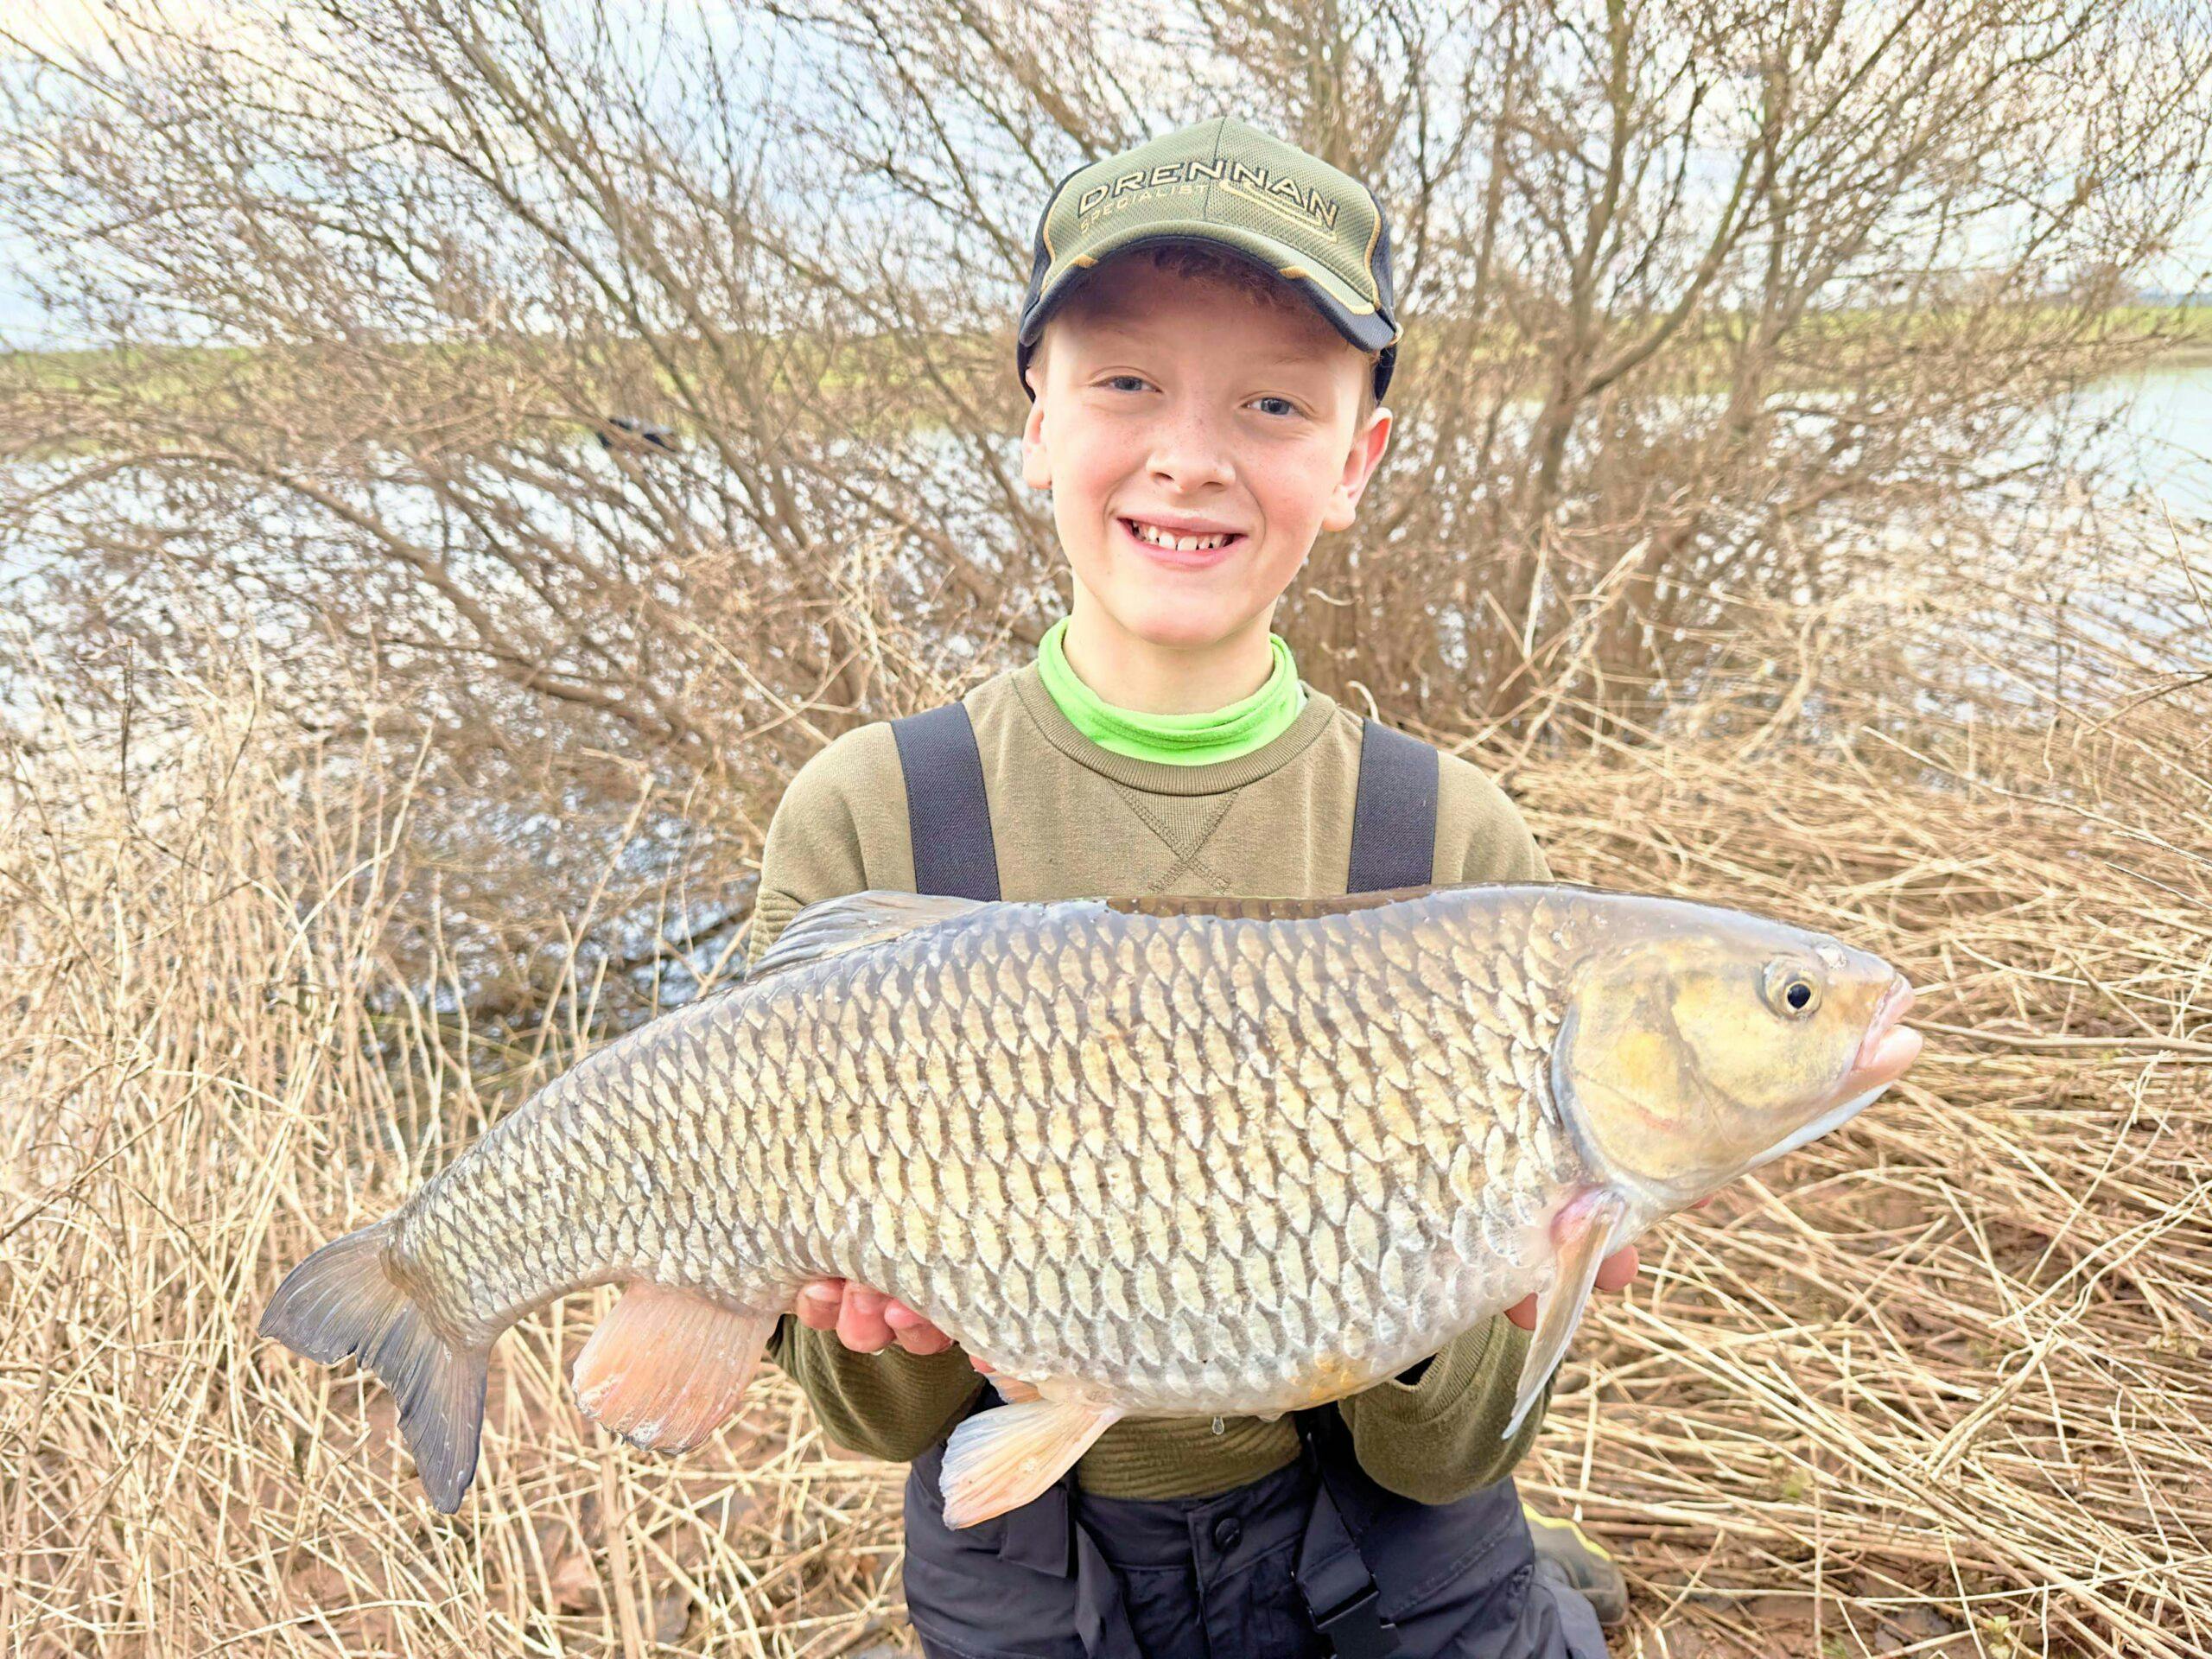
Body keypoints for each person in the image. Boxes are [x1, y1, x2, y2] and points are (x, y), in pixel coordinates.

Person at [742, 116, 1638, 1658]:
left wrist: (1470, 1285)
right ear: (1037, 420)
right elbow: (871, 1414)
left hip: (1389, 1560)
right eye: (1128, 382)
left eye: (1275, 401)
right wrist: (894, 1329)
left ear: (1354, 459)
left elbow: (1452, 1455)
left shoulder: (1451, 843)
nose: (1191, 454)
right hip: (1042, 1568)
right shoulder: (877, 817)